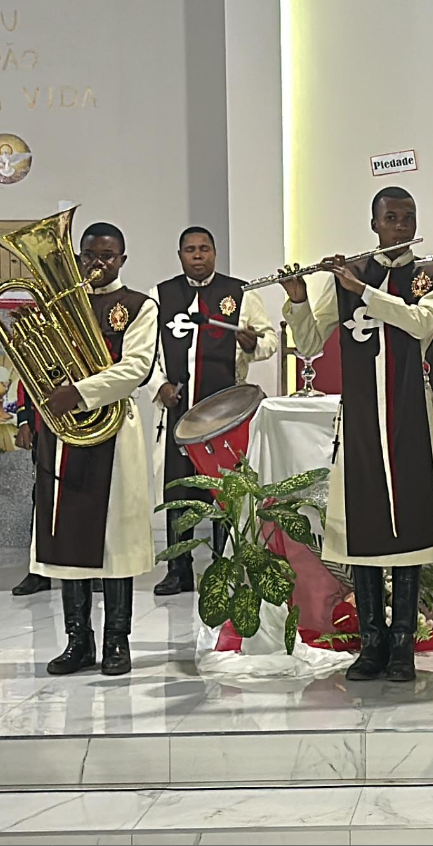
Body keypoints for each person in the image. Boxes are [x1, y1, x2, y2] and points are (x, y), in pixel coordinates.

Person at [282, 187, 433, 682]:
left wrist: (364, 292)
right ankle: (371, 644)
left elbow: (421, 323)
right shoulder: (349, 273)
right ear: (374, 222)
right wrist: (298, 299)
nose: (401, 225)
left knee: (409, 526)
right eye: (391, 217)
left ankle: (403, 645)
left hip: (408, 413)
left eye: (409, 216)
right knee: (364, 527)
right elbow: (311, 344)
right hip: (359, 414)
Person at [16, 223, 158, 678]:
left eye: (109, 256)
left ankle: (117, 640)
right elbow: (39, 366)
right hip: (62, 433)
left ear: (123, 259)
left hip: (113, 429)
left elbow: (136, 367)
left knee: (115, 538)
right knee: (65, 536)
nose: (99, 263)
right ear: (78, 258)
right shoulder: (54, 306)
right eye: (91, 255)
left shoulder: (139, 306)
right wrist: (30, 335)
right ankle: (78, 639)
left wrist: (77, 392)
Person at [148, 226, 279, 598]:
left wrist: (253, 344)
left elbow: (270, 341)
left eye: (204, 248)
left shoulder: (239, 292)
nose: (198, 255)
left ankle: (226, 565)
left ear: (215, 253)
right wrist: (160, 385)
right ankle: (179, 568)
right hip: (180, 411)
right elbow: (150, 352)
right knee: (179, 489)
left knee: (227, 491)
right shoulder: (162, 296)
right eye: (190, 249)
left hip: (225, 414)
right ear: (180, 255)